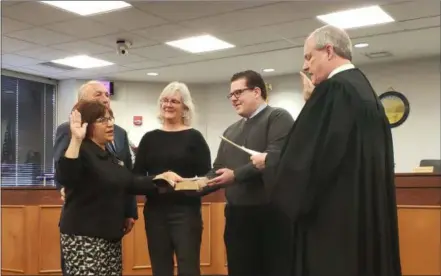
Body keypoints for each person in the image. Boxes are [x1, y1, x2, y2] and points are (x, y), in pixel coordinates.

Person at [251, 25, 402, 276]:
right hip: (364, 219)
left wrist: (271, 162)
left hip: (334, 224)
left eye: (309, 56)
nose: (306, 66)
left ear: (329, 51)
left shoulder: (334, 90)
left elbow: (306, 161)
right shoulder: (365, 90)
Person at [56, 100, 182, 275]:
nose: (110, 124)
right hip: (85, 237)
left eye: (111, 119)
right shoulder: (80, 150)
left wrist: (160, 178)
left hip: (110, 236)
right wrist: (76, 139)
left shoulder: (108, 155)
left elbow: (129, 182)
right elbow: (66, 176)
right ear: (86, 124)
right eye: (102, 120)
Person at [206, 70, 294, 276]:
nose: (233, 99)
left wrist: (235, 175)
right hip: (237, 218)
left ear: (257, 92)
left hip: (270, 217)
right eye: (231, 95)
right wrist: (193, 183)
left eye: (238, 93)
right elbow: (218, 169)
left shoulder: (278, 117)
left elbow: (275, 156)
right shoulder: (230, 131)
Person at [54, 81, 137, 275]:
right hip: (84, 222)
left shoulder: (120, 133)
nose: (105, 99)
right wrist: (64, 188)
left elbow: (126, 175)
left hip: (111, 224)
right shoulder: (69, 130)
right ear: (82, 105)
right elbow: (63, 169)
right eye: (98, 95)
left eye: (107, 95)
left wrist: (129, 210)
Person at [133, 81, 212, 276]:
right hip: (155, 213)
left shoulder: (195, 137)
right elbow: (135, 179)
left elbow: (206, 178)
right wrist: (158, 179)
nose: (168, 105)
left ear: (184, 107)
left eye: (174, 101)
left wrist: (188, 185)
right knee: (160, 268)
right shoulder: (149, 138)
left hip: (186, 213)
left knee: (188, 268)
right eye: (165, 100)